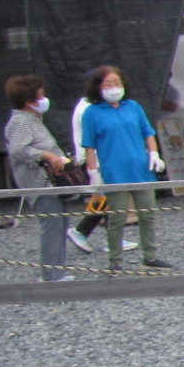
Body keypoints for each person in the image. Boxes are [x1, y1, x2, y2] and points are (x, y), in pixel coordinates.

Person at [79, 65, 172, 271]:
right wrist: (93, 173)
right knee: (117, 218)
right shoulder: (92, 112)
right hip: (114, 173)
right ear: (98, 87)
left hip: (141, 169)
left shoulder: (133, 107)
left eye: (117, 83)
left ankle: (150, 255)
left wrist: (154, 153)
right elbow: (89, 146)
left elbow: (147, 132)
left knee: (147, 214)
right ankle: (115, 261)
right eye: (108, 84)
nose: (114, 87)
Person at [2, 75, 71, 282]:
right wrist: (47, 156)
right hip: (40, 183)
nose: (44, 99)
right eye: (40, 95)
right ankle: (51, 275)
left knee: (59, 224)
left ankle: (58, 270)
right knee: (51, 226)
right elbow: (18, 150)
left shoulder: (32, 119)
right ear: (29, 101)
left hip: (51, 181)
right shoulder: (21, 122)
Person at [66, 83, 125, 255]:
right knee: (109, 197)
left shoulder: (87, 106)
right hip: (95, 160)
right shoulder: (88, 108)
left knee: (106, 198)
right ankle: (105, 237)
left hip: (97, 158)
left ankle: (87, 233)